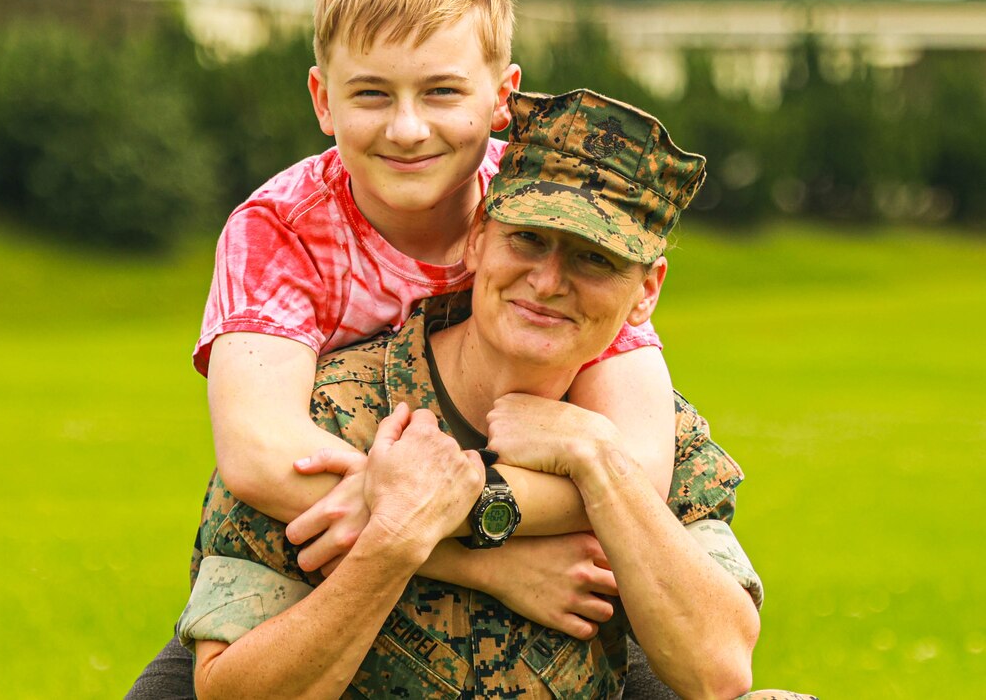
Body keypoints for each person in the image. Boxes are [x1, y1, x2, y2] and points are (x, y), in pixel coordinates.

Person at [127, 0, 686, 696]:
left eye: (441, 91)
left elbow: (639, 466)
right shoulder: (282, 228)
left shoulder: (548, 222)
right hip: (337, 557)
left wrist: (448, 507)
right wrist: (467, 555)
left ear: (501, 97)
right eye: (372, 93)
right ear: (323, 99)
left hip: (525, 544)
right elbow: (262, 456)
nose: (407, 127)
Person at [176, 89, 770, 698]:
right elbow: (226, 690)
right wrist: (396, 542)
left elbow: (718, 670)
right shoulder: (327, 417)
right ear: (478, 238)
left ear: (646, 291)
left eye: (594, 259)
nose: (546, 282)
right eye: (528, 240)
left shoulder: (640, 429)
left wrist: (602, 463)